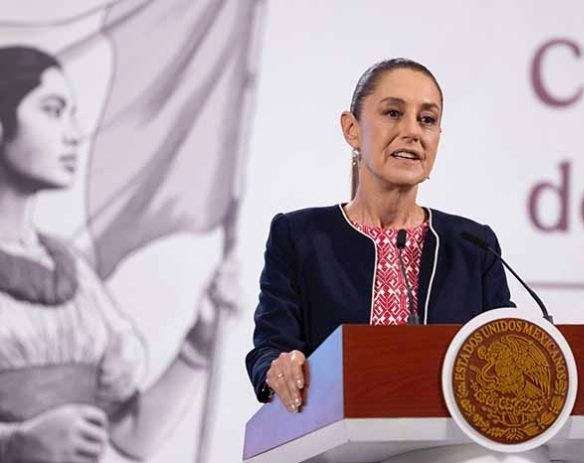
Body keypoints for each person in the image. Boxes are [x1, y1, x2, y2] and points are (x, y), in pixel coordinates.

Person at [246, 58, 515, 413]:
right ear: (352, 129)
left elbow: (509, 350)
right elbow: (270, 349)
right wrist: (278, 368)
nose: (412, 131)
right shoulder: (299, 236)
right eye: (392, 113)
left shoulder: (474, 246)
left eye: (427, 119)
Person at [0, 46, 220, 462]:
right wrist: (15, 443)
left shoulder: (72, 273)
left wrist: (200, 340)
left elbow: (132, 436)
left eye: (72, 114)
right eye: (52, 111)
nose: (73, 133)